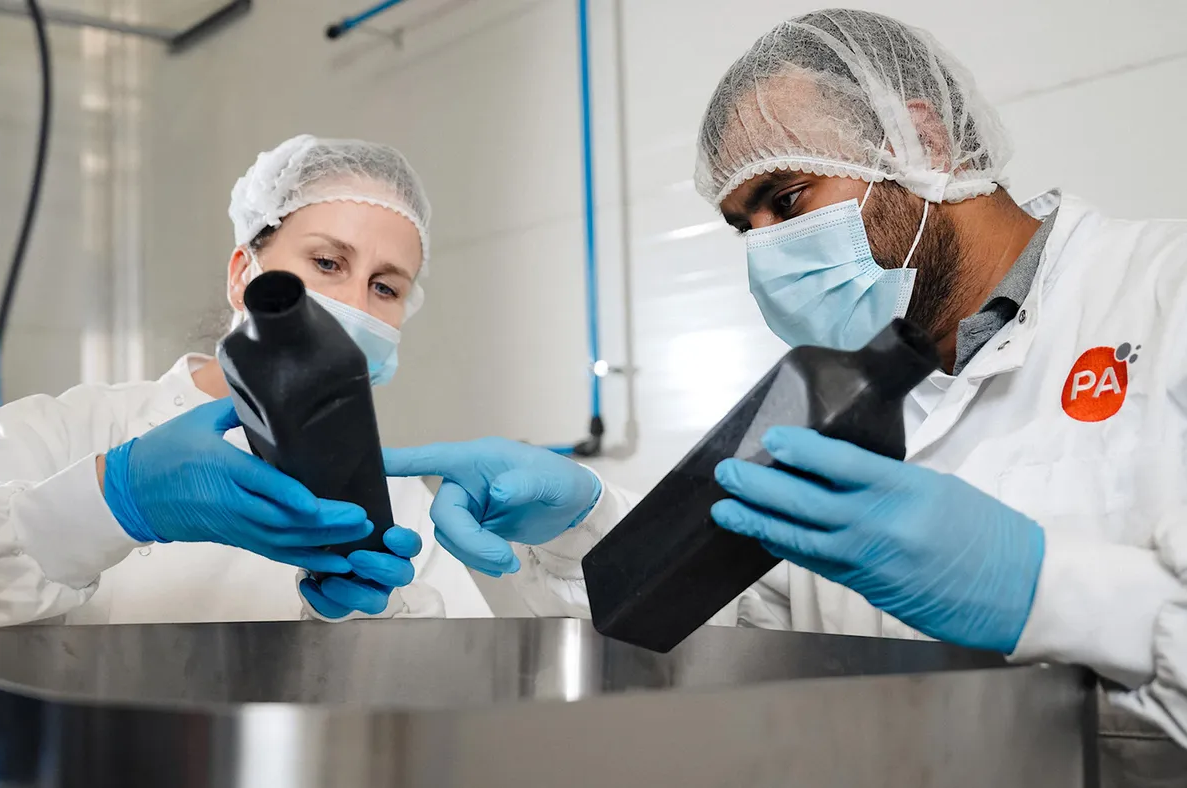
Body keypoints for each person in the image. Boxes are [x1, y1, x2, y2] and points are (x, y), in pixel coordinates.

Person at [382, 8, 1187, 760]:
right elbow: (728, 637)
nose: (768, 251)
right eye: (745, 226)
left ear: (922, 143)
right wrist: (585, 525)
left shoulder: (1164, 293)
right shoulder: (827, 403)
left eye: (787, 197)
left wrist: (1040, 588)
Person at [0, 134, 529, 628]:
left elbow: (455, 700)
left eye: (385, 286)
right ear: (244, 273)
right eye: (327, 261)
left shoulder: (400, 503)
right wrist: (111, 500)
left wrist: (378, 618)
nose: (354, 304)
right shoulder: (69, 431)